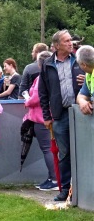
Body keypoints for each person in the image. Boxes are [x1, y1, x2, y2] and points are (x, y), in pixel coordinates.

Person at [38, 29, 85, 201]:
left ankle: (85, 189)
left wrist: (87, 78)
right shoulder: (48, 64)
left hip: (82, 113)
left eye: (70, 40)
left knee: (85, 150)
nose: (70, 43)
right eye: (66, 41)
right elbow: (43, 93)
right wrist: (46, 116)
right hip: (59, 115)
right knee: (64, 153)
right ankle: (65, 190)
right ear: (57, 45)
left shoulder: (81, 59)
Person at [23, 51, 58, 191]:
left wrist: (27, 100)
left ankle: (54, 179)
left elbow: (37, 97)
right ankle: (52, 177)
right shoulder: (48, 76)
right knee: (50, 149)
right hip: (46, 117)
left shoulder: (42, 77)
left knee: (48, 149)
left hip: (42, 119)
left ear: (40, 63)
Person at [76, 45, 94, 116]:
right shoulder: (88, 75)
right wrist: (82, 101)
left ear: (84, 64)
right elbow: (81, 95)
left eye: (79, 64)